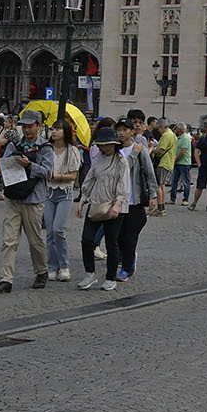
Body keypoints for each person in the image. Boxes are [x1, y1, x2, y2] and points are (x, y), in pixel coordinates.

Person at [0, 109, 54, 293]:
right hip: (14, 197)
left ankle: (41, 271)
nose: (26, 130)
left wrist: (30, 165)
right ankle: (5, 279)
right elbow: (4, 165)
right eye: (24, 126)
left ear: (39, 126)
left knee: (34, 240)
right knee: (9, 240)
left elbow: (48, 172)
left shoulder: (45, 148)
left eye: (30, 126)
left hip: (33, 199)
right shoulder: (15, 145)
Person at [76, 127, 130, 292]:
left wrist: (117, 204)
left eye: (107, 144)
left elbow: (124, 185)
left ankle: (110, 277)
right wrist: (82, 200)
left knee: (111, 242)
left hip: (114, 206)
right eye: (102, 144)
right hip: (96, 203)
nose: (104, 147)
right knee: (87, 239)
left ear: (114, 144)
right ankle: (90, 273)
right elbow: (90, 180)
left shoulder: (122, 162)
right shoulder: (98, 160)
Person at [116, 117, 157, 278]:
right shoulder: (115, 150)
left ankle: (127, 267)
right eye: (119, 130)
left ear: (131, 132)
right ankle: (126, 258)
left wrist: (153, 195)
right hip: (118, 201)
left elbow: (149, 173)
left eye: (124, 130)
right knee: (118, 235)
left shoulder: (140, 150)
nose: (121, 133)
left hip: (135, 200)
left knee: (130, 235)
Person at [44, 121, 81, 282]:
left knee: (58, 229)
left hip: (64, 193)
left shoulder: (72, 150)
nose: (54, 131)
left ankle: (64, 266)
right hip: (48, 193)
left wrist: (58, 176)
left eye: (57, 129)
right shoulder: (47, 149)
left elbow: (73, 176)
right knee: (50, 232)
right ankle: (52, 266)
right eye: (52, 129)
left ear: (65, 132)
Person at [188, 123, 207, 211]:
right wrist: (199, 164)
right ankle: (194, 203)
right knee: (200, 186)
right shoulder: (203, 139)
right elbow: (196, 151)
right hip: (204, 166)